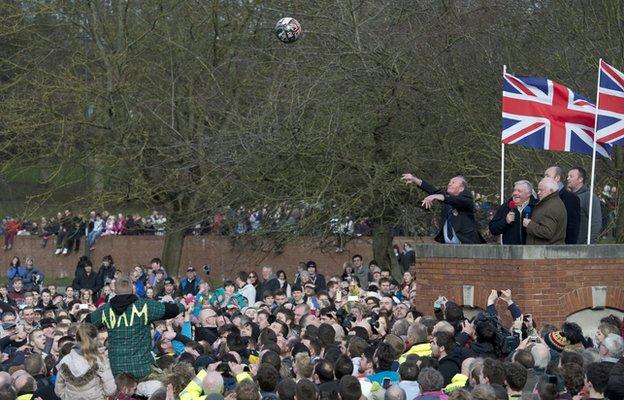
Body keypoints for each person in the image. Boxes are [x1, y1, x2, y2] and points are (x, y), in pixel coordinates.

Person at [86, 276, 186, 378]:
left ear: (115, 290)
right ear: (133, 289)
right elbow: (170, 311)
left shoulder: (105, 310)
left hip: (117, 369)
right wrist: (182, 304)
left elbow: (87, 323)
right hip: (142, 368)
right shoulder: (145, 305)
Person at [401, 173, 484, 244]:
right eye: (449, 182)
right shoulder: (447, 197)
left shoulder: (466, 199)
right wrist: (414, 179)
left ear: (461, 188)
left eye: (453, 182)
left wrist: (439, 196)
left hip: (467, 243)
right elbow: (432, 190)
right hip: (448, 244)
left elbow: (456, 201)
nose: (449, 184)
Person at [54, 323, 116, 399]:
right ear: (95, 339)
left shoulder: (65, 360)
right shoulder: (99, 359)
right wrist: (100, 395)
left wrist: (68, 397)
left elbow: (58, 390)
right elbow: (110, 390)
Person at [488, 180, 538, 244]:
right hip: (511, 251)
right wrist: (505, 221)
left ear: (528, 193)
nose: (515, 193)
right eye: (514, 190)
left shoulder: (537, 206)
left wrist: (531, 225)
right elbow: (493, 229)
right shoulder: (505, 207)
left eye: (519, 191)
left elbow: (543, 229)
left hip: (532, 250)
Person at [523, 177, 567, 245]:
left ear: (551, 191)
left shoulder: (552, 206)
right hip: (545, 251)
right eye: (538, 190)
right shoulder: (550, 203)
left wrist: (529, 225)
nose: (538, 193)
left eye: (541, 190)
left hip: (546, 252)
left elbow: (547, 232)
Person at [544, 166, 581, 244]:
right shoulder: (543, 197)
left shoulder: (571, 198)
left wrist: (567, 249)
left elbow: (573, 227)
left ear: (557, 178)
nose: (544, 179)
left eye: (547, 176)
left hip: (562, 248)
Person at [567, 166, 602, 244]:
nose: (567, 178)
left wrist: (588, 244)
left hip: (582, 248)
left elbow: (596, 222)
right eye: (568, 176)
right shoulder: (568, 198)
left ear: (580, 179)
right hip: (568, 246)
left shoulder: (589, 197)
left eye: (571, 176)